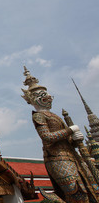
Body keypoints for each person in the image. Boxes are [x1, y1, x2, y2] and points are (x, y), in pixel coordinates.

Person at [21, 67, 99, 203]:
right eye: (42, 94)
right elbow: (47, 137)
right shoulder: (38, 116)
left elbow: (67, 140)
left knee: (89, 191)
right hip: (57, 157)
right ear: (33, 98)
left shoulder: (55, 116)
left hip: (72, 156)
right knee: (76, 193)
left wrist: (74, 139)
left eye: (47, 93)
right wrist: (70, 130)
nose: (48, 96)